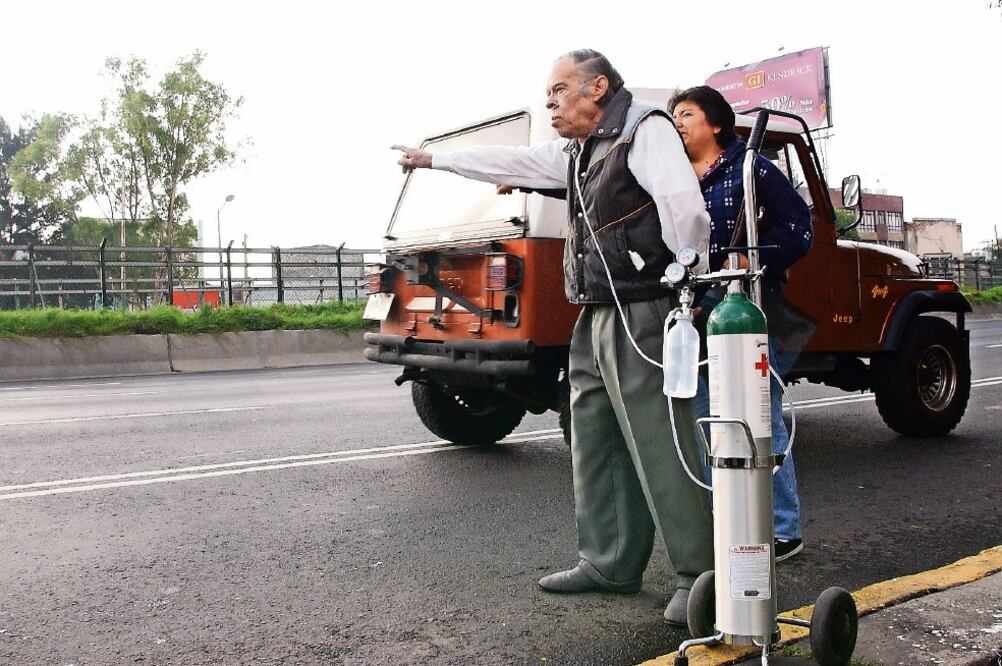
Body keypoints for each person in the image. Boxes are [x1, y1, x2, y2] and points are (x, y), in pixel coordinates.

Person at [394, 50, 713, 625]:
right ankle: (610, 561)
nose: (551, 103)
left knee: (658, 439)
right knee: (594, 432)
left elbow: (684, 209)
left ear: (597, 86)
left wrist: (684, 283)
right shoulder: (579, 151)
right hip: (596, 309)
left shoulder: (644, 129)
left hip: (642, 305)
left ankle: (699, 573)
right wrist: (435, 159)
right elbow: (513, 160)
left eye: (559, 91)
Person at [669, 85, 813, 561]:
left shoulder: (750, 168)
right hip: (695, 314)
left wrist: (750, 256)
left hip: (747, 310)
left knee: (759, 414)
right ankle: (729, 519)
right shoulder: (673, 179)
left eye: (686, 114)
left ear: (715, 123)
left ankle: (783, 528)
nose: (678, 122)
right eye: (674, 115)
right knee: (709, 417)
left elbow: (798, 228)